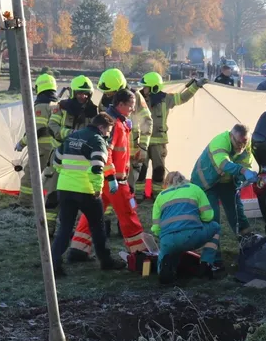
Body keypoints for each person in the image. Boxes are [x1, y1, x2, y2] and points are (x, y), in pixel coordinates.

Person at [67, 89, 150, 260]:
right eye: (130, 106)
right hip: (115, 181)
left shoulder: (117, 122)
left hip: (105, 179)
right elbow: (106, 153)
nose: (132, 110)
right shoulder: (114, 124)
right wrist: (112, 176)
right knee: (128, 213)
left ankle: (78, 249)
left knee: (93, 214)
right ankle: (140, 252)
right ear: (120, 105)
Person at [50, 113, 125, 276]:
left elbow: (56, 162)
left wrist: (67, 175)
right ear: (101, 127)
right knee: (98, 227)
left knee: (65, 228)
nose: (108, 135)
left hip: (65, 189)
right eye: (108, 131)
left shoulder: (72, 137)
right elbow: (97, 167)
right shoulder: (97, 140)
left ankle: (54, 263)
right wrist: (98, 188)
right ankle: (106, 262)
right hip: (86, 190)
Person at [136, 72, 205, 200]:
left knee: (159, 170)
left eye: (146, 87)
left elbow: (183, 97)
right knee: (140, 169)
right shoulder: (138, 98)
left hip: (159, 143)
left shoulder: (166, 99)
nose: (143, 89)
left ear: (154, 88)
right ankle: (138, 194)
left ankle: (157, 195)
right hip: (142, 142)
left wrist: (195, 86)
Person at [191, 124, 257, 247]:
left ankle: (248, 242)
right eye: (238, 143)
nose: (241, 147)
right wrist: (243, 171)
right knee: (212, 217)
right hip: (207, 183)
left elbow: (245, 165)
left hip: (226, 182)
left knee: (237, 212)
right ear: (231, 136)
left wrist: (246, 177)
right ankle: (213, 256)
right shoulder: (220, 141)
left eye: (244, 143)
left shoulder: (247, 147)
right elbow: (224, 164)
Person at [151, 171, 221, 285]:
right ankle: (206, 263)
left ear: (166, 183)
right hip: (192, 236)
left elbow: (156, 228)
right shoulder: (195, 189)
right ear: (184, 179)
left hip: (168, 240)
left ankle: (165, 269)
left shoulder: (160, 196)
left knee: (168, 251)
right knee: (215, 227)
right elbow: (208, 217)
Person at [48, 75, 98, 232]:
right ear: (73, 92)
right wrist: (72, 134)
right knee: (52, 195)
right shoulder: (61, 107)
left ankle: (72, 230)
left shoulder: (94, 111)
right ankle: (48, 229)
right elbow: (52, 127)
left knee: (78, 197)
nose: (82, 97)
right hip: (60, 159)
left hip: (81, 162)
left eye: (85, 94)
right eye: (79, 93)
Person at [96, 68, 153, 200]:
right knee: (109, 186)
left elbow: (147, 121)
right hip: (111, 150)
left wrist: (143, 147)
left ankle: (124, 215)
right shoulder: (105, 98)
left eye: (110, 91)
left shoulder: (135, 96)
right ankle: (109, 216)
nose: (107, 94)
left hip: (131, 149)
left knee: (128, 187)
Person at [16, 73, 59, 208]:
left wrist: (22, 143)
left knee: (30, 177)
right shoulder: (56, 105)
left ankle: (24, 204)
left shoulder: (41, 107)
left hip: (41, 148)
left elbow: (37, 130)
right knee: (52, 178)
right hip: (54, 149)